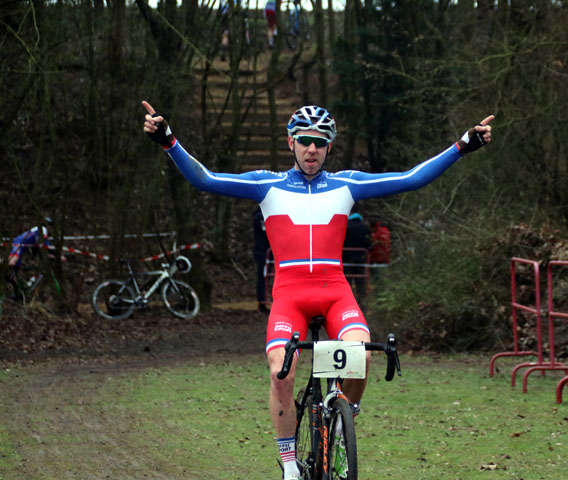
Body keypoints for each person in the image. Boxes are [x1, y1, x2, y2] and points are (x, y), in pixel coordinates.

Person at [142, 100, 493, 480]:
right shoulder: (266, 183)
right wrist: (168, 140)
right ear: (290, 141)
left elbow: (411, 178)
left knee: (363, 355)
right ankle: (290, 466)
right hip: (290, 296)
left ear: (330, 146)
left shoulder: (348, 183)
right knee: (283, 372)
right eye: (306, 141)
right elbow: (206, 179)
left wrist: (463, 145)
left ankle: (343, 425)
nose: (313, 149)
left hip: (334, 292)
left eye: (321, 142)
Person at [342, 212, 371, 303]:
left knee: (347, 280)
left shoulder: (345, 227)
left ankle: (347, 301)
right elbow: (368, 243)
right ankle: (361, 301)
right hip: (361, 257)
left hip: (347, 257)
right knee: (360, 280)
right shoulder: (365, 227)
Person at [253, 206, 271, 313]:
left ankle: (264, 300)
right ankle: (262, 302)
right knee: (263, 276)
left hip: (267, 249)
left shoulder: (262, 215)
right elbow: (266, 232)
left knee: (266, 277)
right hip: (262, 250)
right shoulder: (260, 216)